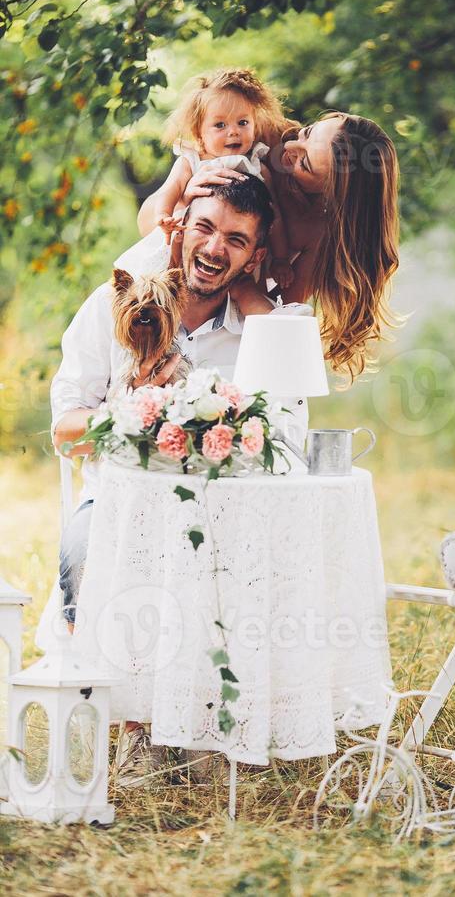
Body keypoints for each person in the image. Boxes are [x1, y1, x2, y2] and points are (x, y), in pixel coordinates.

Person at [49, 176, 311, 784]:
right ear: (179, 228)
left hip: (229, 508)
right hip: (117, 496)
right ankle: (137, 731)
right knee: (86, 550)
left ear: (254, 256)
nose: (216, 247)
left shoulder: (259, 328)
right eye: (205, 227)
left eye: (236, 240)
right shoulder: (109, 305)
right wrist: (134, 406)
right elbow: (65, 430)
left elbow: (288, 433)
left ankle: (222, 727)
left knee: (260, 563)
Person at [137, 109, 401, 382]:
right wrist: (185, 195)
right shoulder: (251, 141)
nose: (289, 147)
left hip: (232, 311)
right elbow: (146, 222)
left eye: (305, 164)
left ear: (332, 194)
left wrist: (243, 286)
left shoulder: (320, 233)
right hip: (179, 281)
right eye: (307, 132)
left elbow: (279, 319)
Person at [116, 67, 295, 287]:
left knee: (248, 292)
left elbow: (274, 218)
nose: (233, 131)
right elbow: (169, 191)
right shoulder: (191, 162)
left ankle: (265, 319)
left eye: (243, 122)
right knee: (167, 275)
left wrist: (280, 258)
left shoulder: (258, 167)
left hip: (236, 260)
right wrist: (164, 216)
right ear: (200, 133)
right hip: (189, 252)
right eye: (220, 125)